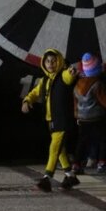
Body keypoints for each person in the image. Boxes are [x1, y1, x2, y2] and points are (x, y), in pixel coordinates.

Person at [22, 48, 80, 192]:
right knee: (60, 150)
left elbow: (69, 76)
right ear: (43, 63)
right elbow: (35, 93)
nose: (51, 64)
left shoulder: (63, 76)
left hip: (62, 120)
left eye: (54, 61)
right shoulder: (44, 80)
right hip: (51, 120)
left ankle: (46, 179)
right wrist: (27, 100)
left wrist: (71, 72)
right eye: (48, 61)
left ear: (59, 62)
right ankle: (70, 176)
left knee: (54, 148)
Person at [72, 52, 106, 175]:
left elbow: (75, 103)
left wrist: (76, 115)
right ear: (97, 69)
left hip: (82, 119)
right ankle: (102, 164)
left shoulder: (77, 85)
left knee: (82, 142)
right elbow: (105, 102)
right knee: (102, 140)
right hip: (96, 118)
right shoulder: (97, 84)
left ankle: (76, 165)